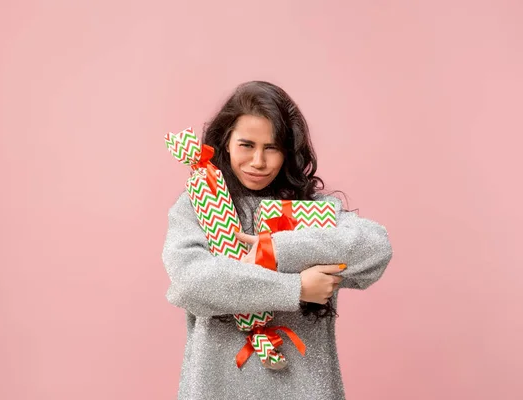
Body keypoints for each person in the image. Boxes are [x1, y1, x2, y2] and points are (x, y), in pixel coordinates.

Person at [162, 81, 393, 400]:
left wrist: (276, 250)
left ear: (288, 150)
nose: (258, 161)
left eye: (271, 147)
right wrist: (296, 288)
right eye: (247, 145)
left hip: (305, 390)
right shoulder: (198, 205)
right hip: (215, 389)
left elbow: (375, 248)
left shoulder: (314, 211)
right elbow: (191, 283)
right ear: (225, 142)